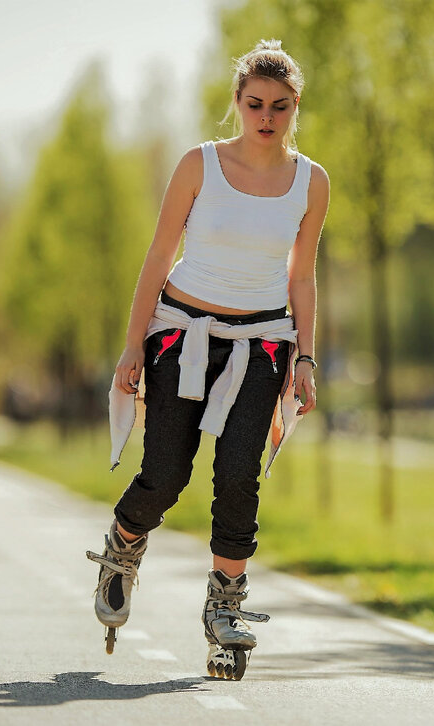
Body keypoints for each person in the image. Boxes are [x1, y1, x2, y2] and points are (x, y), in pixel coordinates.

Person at [86, 39, 329, 680]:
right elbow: (159, 254)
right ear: (237, 103)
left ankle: (224, 611)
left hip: (264, 343)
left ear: (294, 107)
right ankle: (124, 546)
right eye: (255, 104)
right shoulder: (199, 164)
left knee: (239, 475)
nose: (266, 117)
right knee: (166, 473)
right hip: (180, 333)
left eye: (279, 106)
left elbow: (301, 276)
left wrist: (306, 354)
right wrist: (132, 343)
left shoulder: (312, 182)